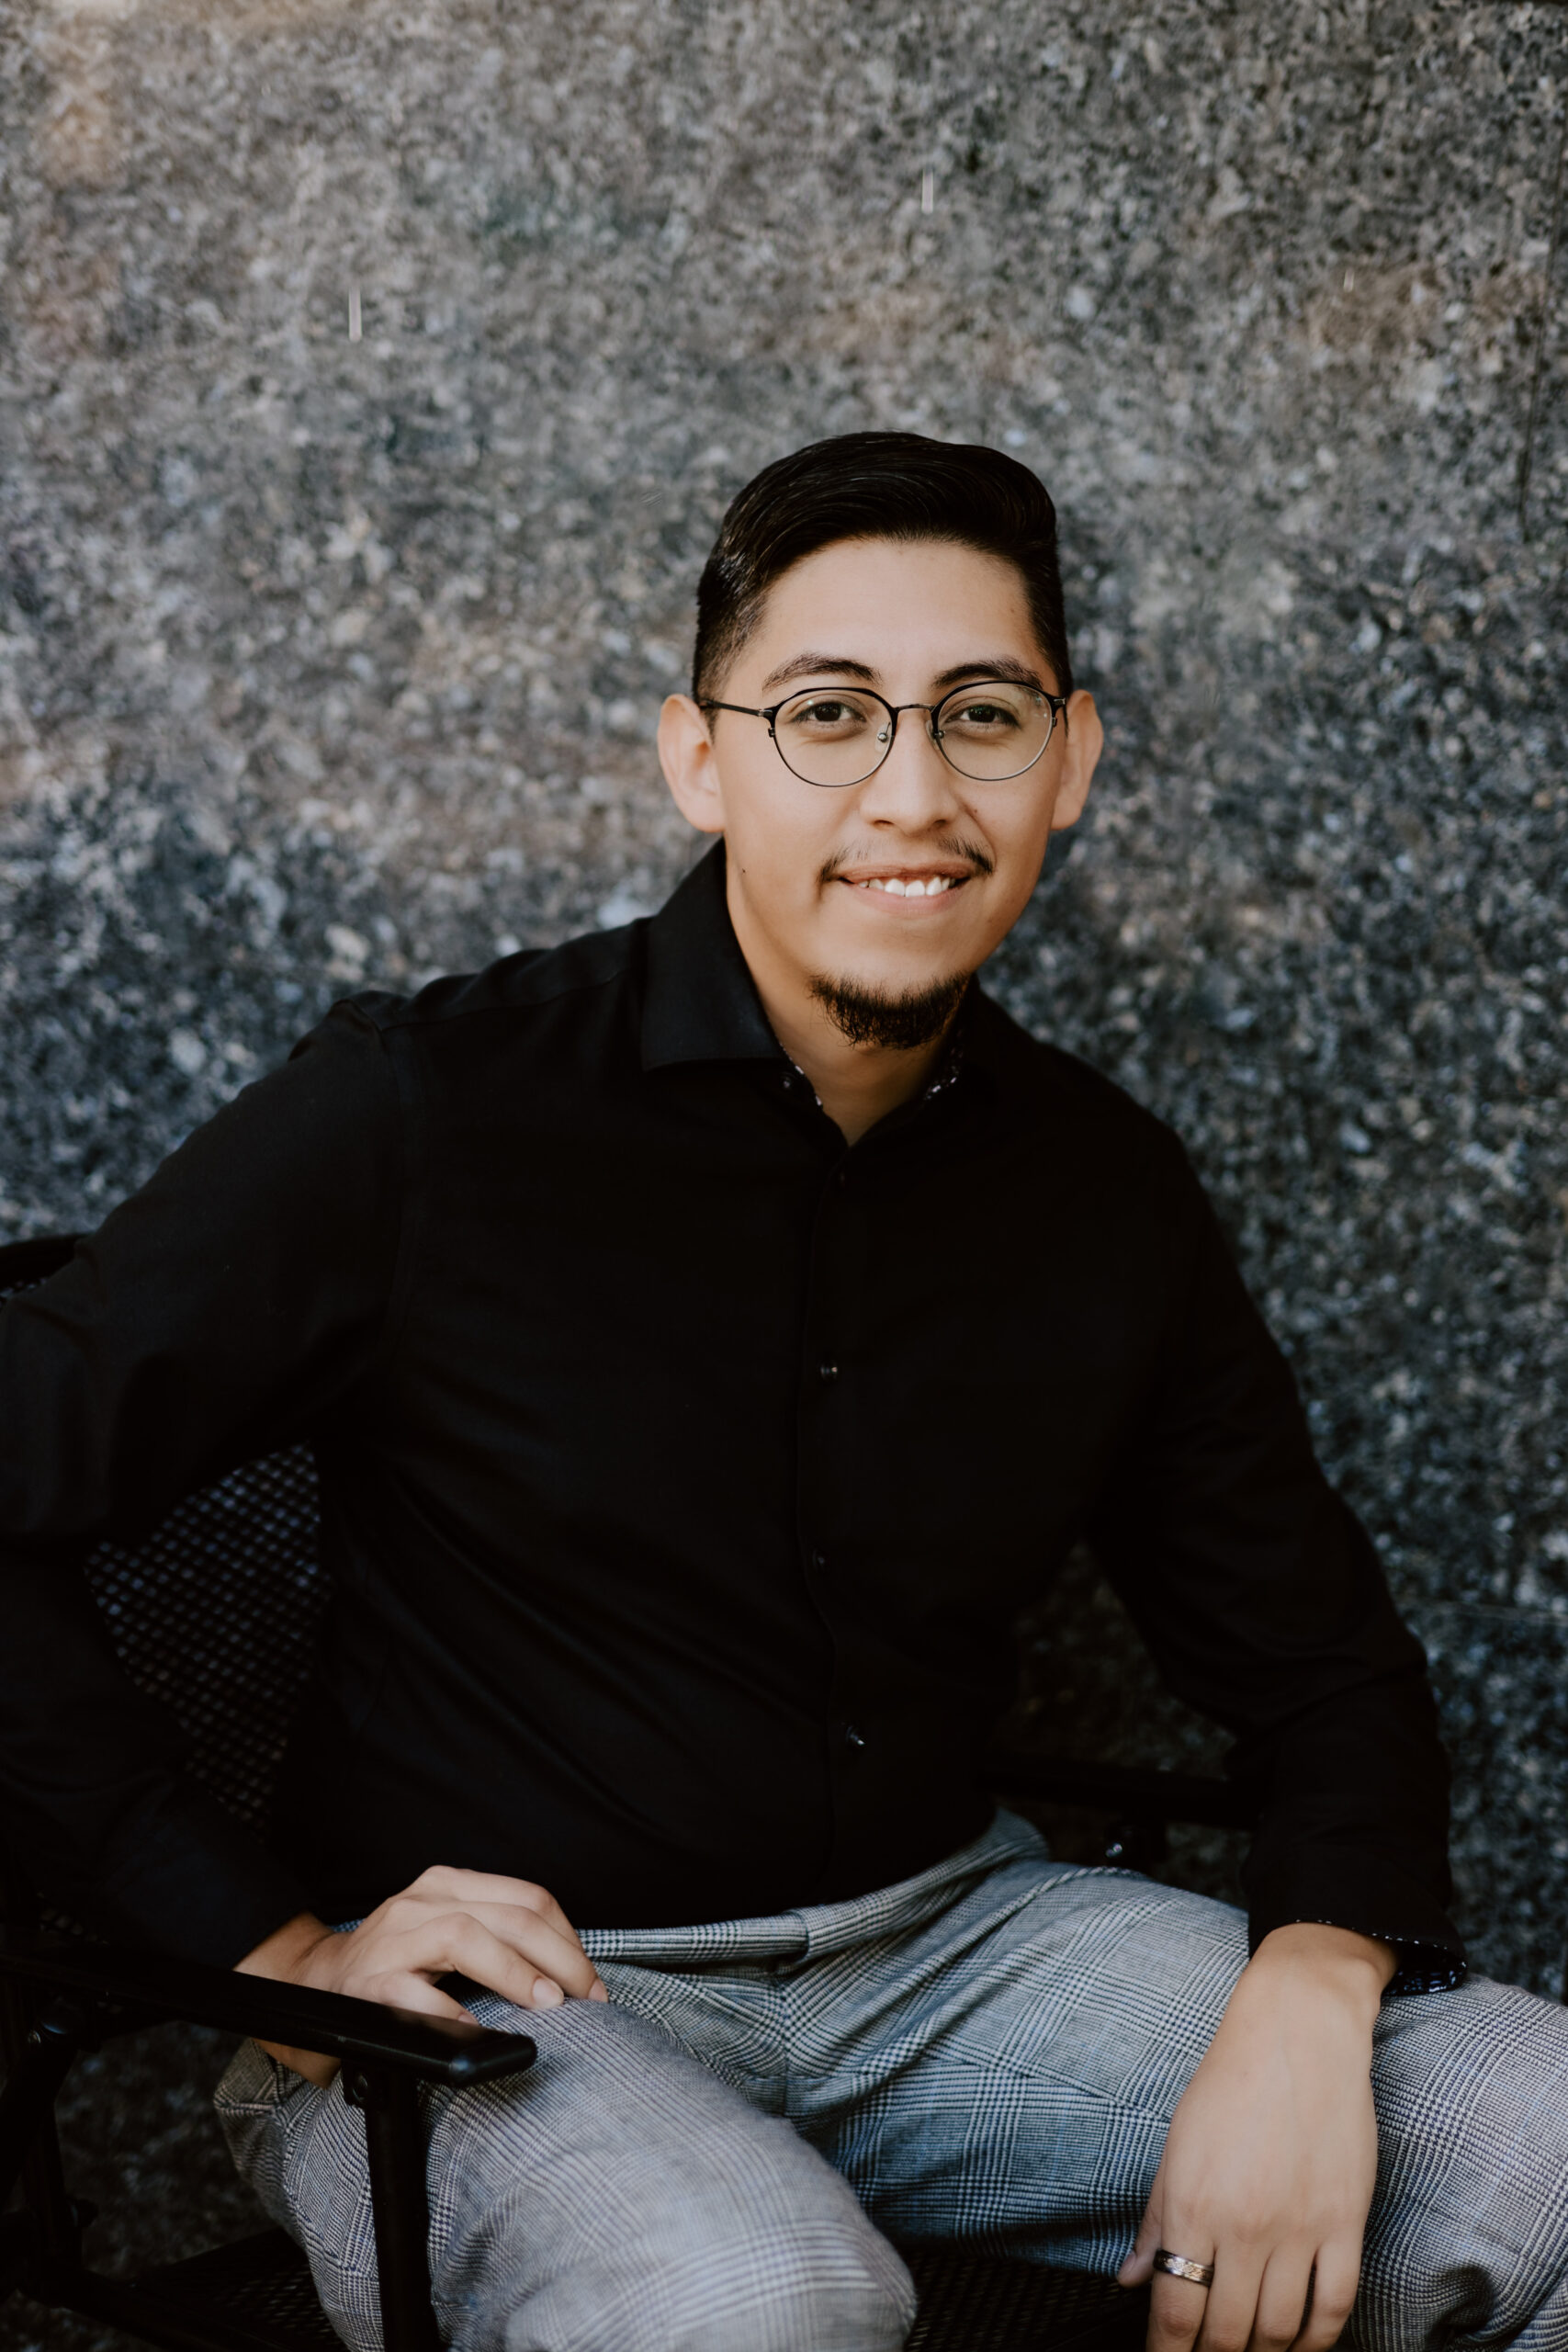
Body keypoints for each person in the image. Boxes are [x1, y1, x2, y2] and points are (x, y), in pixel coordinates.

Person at [2, 433, 1566, 2352]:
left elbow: (1316, 1664)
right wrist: (272, 1952)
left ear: (1068, 758)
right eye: (828, 712)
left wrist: (1313, 1995)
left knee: (1540, 2137)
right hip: (496, 2015)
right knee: (750, 2292)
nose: (911, 791)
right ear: (697, 755)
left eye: (978, 713)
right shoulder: (430, 1109)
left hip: (960, 1963)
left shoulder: (1100, 1187)